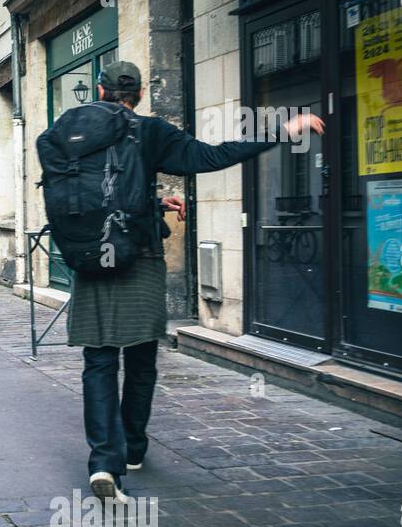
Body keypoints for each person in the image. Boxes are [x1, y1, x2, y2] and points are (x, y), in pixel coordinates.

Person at [54, 62, 325, 501]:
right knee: (140, 359)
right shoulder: (151, 131)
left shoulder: (75, 133)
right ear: (139, 95)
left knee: (99, 361)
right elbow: (210, 157)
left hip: (90, 258)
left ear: (100, 91)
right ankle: (134, 448)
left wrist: (155, 201)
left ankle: (104, 462)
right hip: (138, 258)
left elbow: (93, 194)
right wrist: (281, 130)